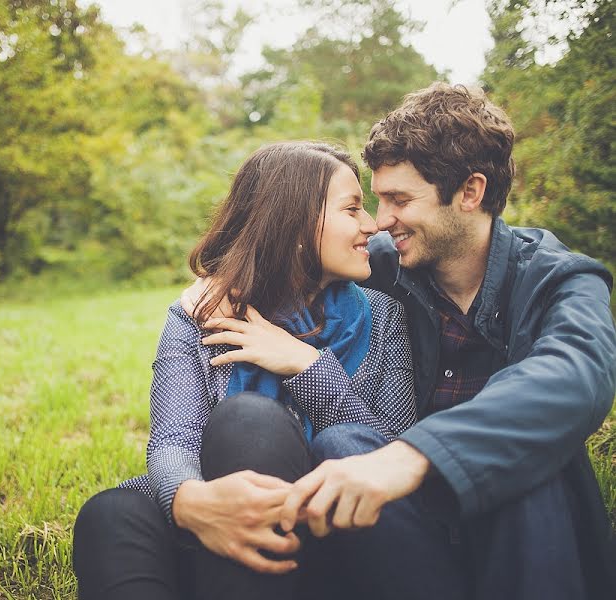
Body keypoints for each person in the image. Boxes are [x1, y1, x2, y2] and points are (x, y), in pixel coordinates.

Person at [182, 83, 616, 600]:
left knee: (530, 465)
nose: (380, 221)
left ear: (470, 192)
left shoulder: (558, 280)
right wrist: (224, 285)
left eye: (399, 200)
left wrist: (414, 457)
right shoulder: (385, 265)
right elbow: (295, 252)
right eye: (376, 198)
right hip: (409, 533)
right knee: (342, 445)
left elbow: (575, 375)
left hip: (519, 530)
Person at [72, 141, 418, 599]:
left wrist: (306, 364)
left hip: (320, 532)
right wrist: (188, 501)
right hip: (210, 520)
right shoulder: (203, 312)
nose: (370, 225)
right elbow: (173, 441)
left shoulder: (384, 318)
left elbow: (393, 451)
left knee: (248, 421)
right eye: (352, 209)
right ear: (294, 225)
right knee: (109, 514)